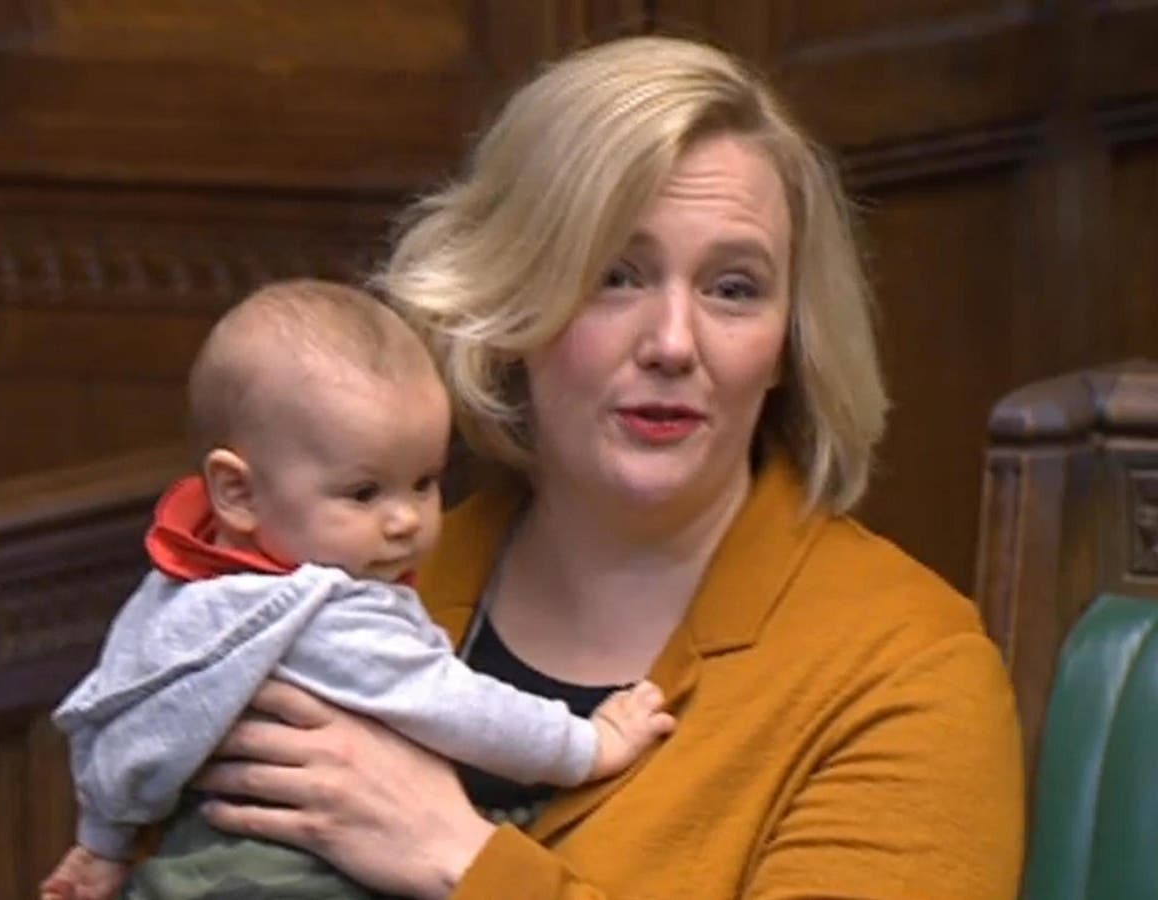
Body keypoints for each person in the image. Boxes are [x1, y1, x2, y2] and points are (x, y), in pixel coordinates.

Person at [179, 36, 1024, 900]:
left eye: (732, 288)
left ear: (785, 347)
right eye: (615, 275)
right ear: (512, 304)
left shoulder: (906, 669)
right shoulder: (346, 579)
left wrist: (460, 860)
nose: (671, 343)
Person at [38, 280, 675, 900]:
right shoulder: (325, 614)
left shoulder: (181, 593)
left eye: (425, 482)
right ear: (237, 492)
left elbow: (124, 724)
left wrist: (103, 846)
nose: (405, 521)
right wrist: (589, 745)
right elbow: (457, 708)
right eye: (364, 492)